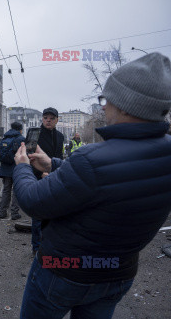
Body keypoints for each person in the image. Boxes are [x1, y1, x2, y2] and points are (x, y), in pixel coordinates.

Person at [13, 52, 171, 319]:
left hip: (63, 272)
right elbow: (111, 178)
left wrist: (22, 168)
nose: (103, 107)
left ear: (124, 105)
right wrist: (53, 164)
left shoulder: (91, 159)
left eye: (106, 100)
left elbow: (33, 201)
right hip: (118, 273)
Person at [30, 107, 64, 255]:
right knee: (38, 215)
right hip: (38, 177)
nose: (48, 120)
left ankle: (50, 245)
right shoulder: (34, 134)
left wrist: (55, 172)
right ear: (42, 119)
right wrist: (42, 172)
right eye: (45, 118)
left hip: (54, 178)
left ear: (56, 120)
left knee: (53, 213)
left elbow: (59, 157)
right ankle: (36, 247)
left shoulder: (60, 136)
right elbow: (29, 155)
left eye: (51, 118)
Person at [0, 121, 25, 220]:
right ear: (20, 129)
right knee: (16, 191)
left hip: (5, 169)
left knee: (6, 190)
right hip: (17, 169)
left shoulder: (5, 138)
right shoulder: (21, 139)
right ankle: (14, 213)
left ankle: (2, 212)